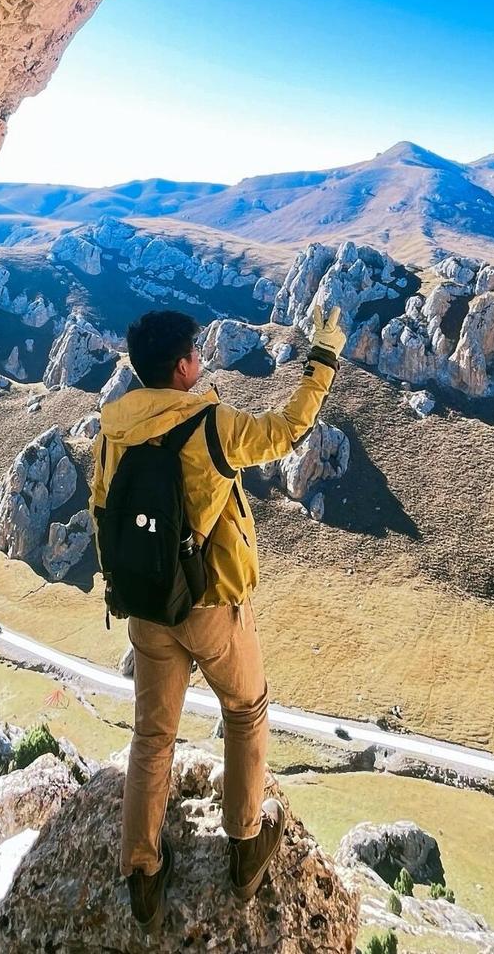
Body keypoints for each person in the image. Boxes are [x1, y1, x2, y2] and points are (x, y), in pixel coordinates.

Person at [90, 304, 346, 930]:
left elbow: (102, 514)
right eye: (196, 355)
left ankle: (144, 875)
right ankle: (245, 844)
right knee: (245, 709)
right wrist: (323, 359)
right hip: (209, 606)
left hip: (147, 610)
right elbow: (288, 429)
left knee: (152, 738)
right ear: (181, 367)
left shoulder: (111, 430)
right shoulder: (212, 424)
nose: (201, 363)